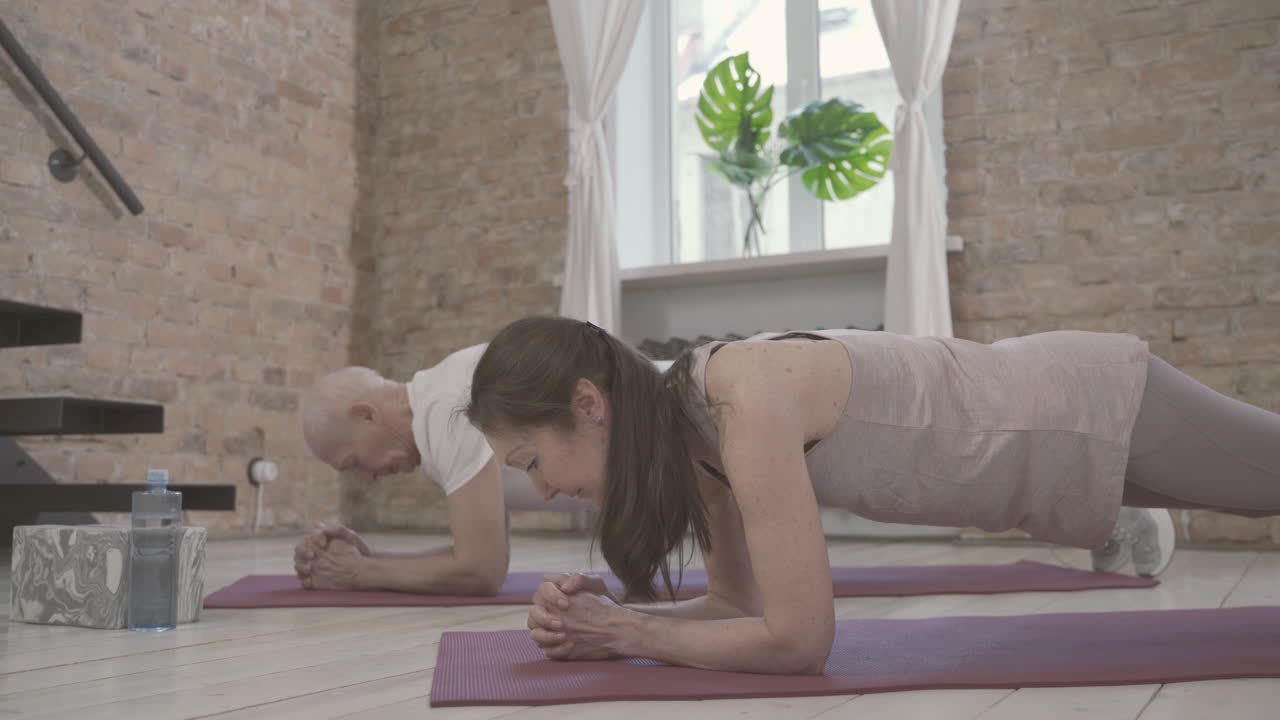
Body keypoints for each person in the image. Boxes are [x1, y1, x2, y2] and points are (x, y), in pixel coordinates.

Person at [466, 316, 1280, 674]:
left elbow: (796, 643)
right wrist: (608, 627)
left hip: (1079, 407)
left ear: (587, 404)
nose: (543, 489)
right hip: (1041, 471)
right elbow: (735, 608)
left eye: (533, 460)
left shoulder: (737, 403)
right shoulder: (690, 440)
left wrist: (630, 634)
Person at [293, 345, 591, 595]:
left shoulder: (443, 411)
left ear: (366, 415)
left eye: (353, 463)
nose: (368, 478)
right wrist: (367, 558)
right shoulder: (438, 399)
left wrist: (355, 572)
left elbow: (481, 572)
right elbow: (485, 557)